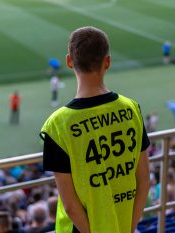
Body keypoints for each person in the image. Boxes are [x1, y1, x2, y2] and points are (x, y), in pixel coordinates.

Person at [40, 26, 151, 233]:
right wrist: (129, 227)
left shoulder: (57, 124)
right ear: (107, 62)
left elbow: (71, 206)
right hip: (124, 225)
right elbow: (144, 181)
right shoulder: (131, 108)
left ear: (69, 61)